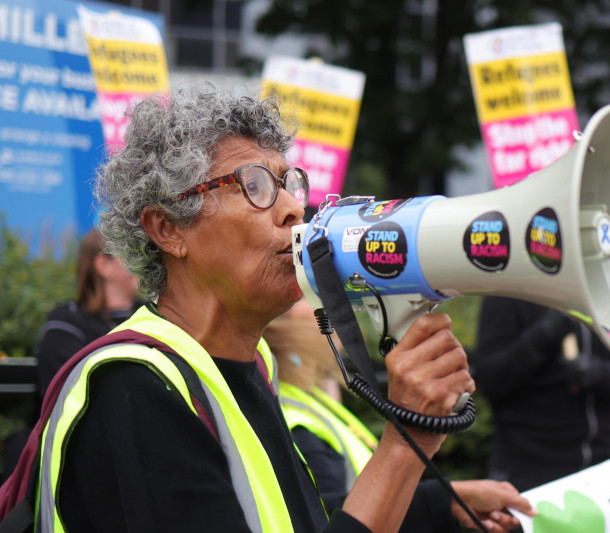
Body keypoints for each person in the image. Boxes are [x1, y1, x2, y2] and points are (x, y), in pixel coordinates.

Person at [35, 87, 477, 532]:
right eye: (254, 185)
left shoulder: (247, 364)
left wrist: (435, 498)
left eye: (289, 183)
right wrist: (403, 446)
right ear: (167, 229)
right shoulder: (132, 386)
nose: (294, 208)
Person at [264, 300, 533, 533]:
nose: (325, 301)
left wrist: (447, 500)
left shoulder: (309, 400)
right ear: (275, 326)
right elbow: (325, 520)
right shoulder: (298, 422)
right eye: (301, 298)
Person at [472, 296, 610, 491]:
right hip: (529, 474)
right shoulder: (507, 293)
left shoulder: (600, 293)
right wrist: (544, 334)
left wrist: (597, 374)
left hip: (600, 472)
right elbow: (490, 379)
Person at [34, 229, 140, 397]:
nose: (145, 262)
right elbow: (65, 398)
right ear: (104, 266)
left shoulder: (153, 315)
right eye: (133, 254)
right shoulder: (64, 327)